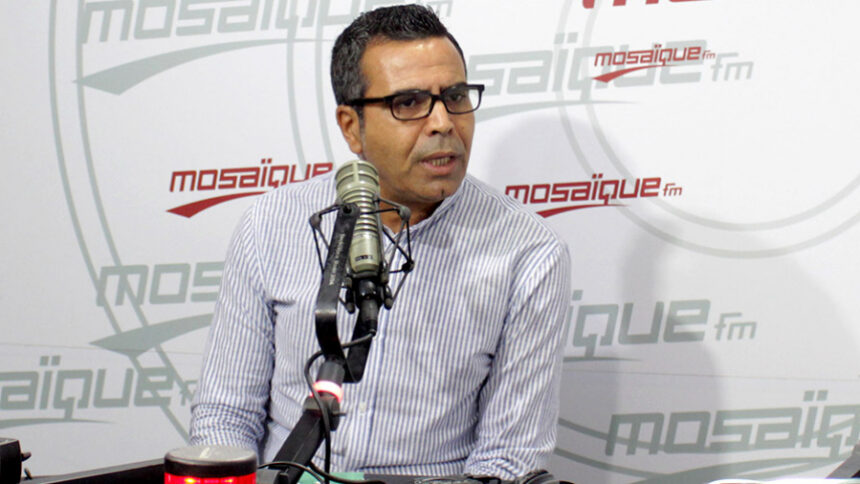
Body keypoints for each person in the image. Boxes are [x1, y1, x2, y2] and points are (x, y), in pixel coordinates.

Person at [190, 4, 571, 480]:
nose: (443, 123)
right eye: (408, 103)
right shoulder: (271, 225)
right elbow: (225, 416)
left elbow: (509, 459)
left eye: (455, 96)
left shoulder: (529, 252)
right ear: (351, 126)